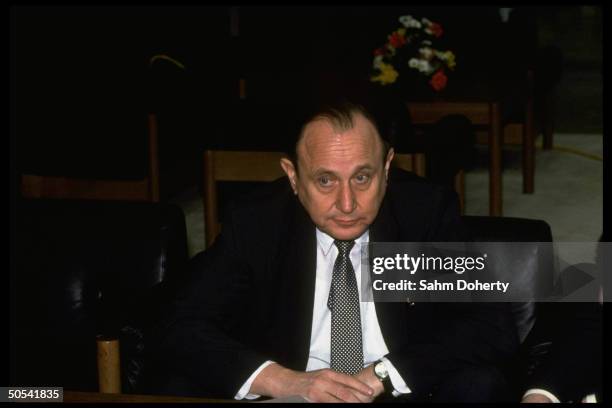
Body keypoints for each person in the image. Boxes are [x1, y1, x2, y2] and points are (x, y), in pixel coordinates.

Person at [144, 98, 518, 402]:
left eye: (362, 177)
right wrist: (284, 382)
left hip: (398, 389)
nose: (347, 203)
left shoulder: (422, 214)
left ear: (387, 168)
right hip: (294, 390)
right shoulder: (259, 223)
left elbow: (492, 323)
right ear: (293, 177)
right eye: (325, 180)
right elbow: (181, 326)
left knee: (479, 384)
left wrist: (383, 374)